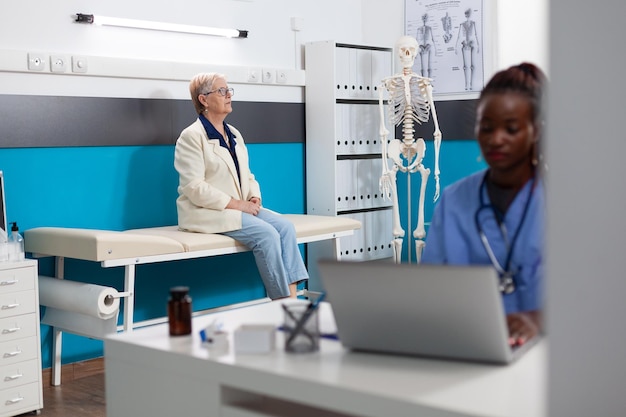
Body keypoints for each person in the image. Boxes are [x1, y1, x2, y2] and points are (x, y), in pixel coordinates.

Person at [421, 63, 547, 347]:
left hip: (552, 357)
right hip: (468, 348)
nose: (495, 139)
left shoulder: (566, 204)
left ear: (536, 131)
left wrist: (541, 319)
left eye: (511, 129)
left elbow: (597, 296)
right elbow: (430, 292)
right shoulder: (453, 202)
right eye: (486, 127)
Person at [174, 72, 309, 299]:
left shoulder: (234, 134)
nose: (228, 95)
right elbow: (193, 187)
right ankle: (282, 301)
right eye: (221, 91)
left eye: (228, 90)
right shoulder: (191, 136)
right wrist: (237, 205)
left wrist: (254, 197)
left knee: (285, 227)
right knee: (267, 234)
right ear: (204, 100)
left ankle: (293, 298)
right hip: (208, 212)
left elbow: (246, 174)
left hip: (239, 208)